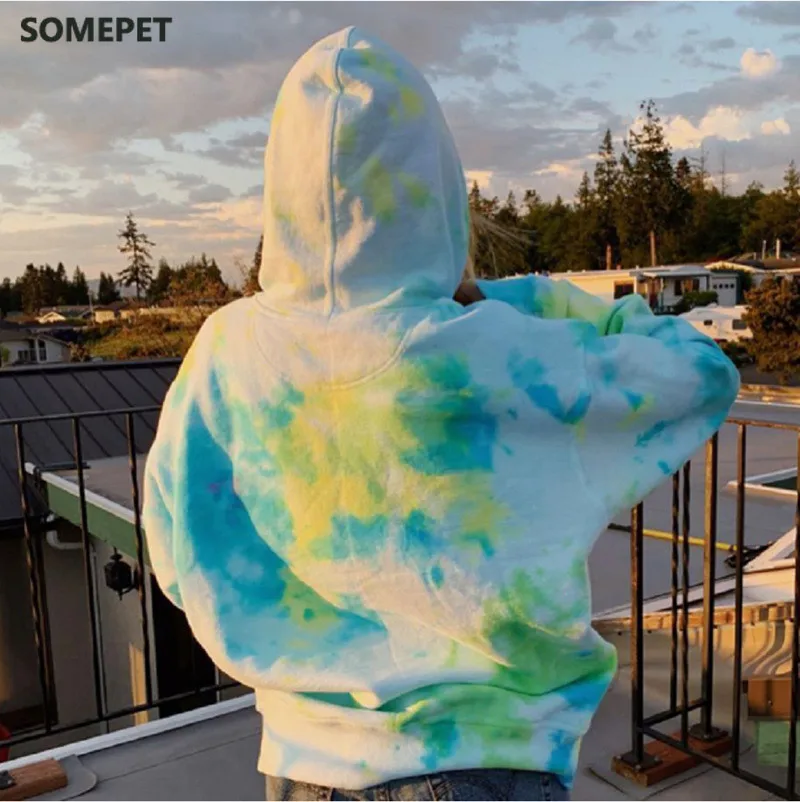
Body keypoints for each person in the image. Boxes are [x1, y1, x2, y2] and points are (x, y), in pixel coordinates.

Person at [142, 27, 740, 802]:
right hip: (484, 762)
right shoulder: (497, 351)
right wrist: (519, 297)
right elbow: (699, 371)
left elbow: (176, 555)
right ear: (437, 190)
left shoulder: (225, 352)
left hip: (300, 766)